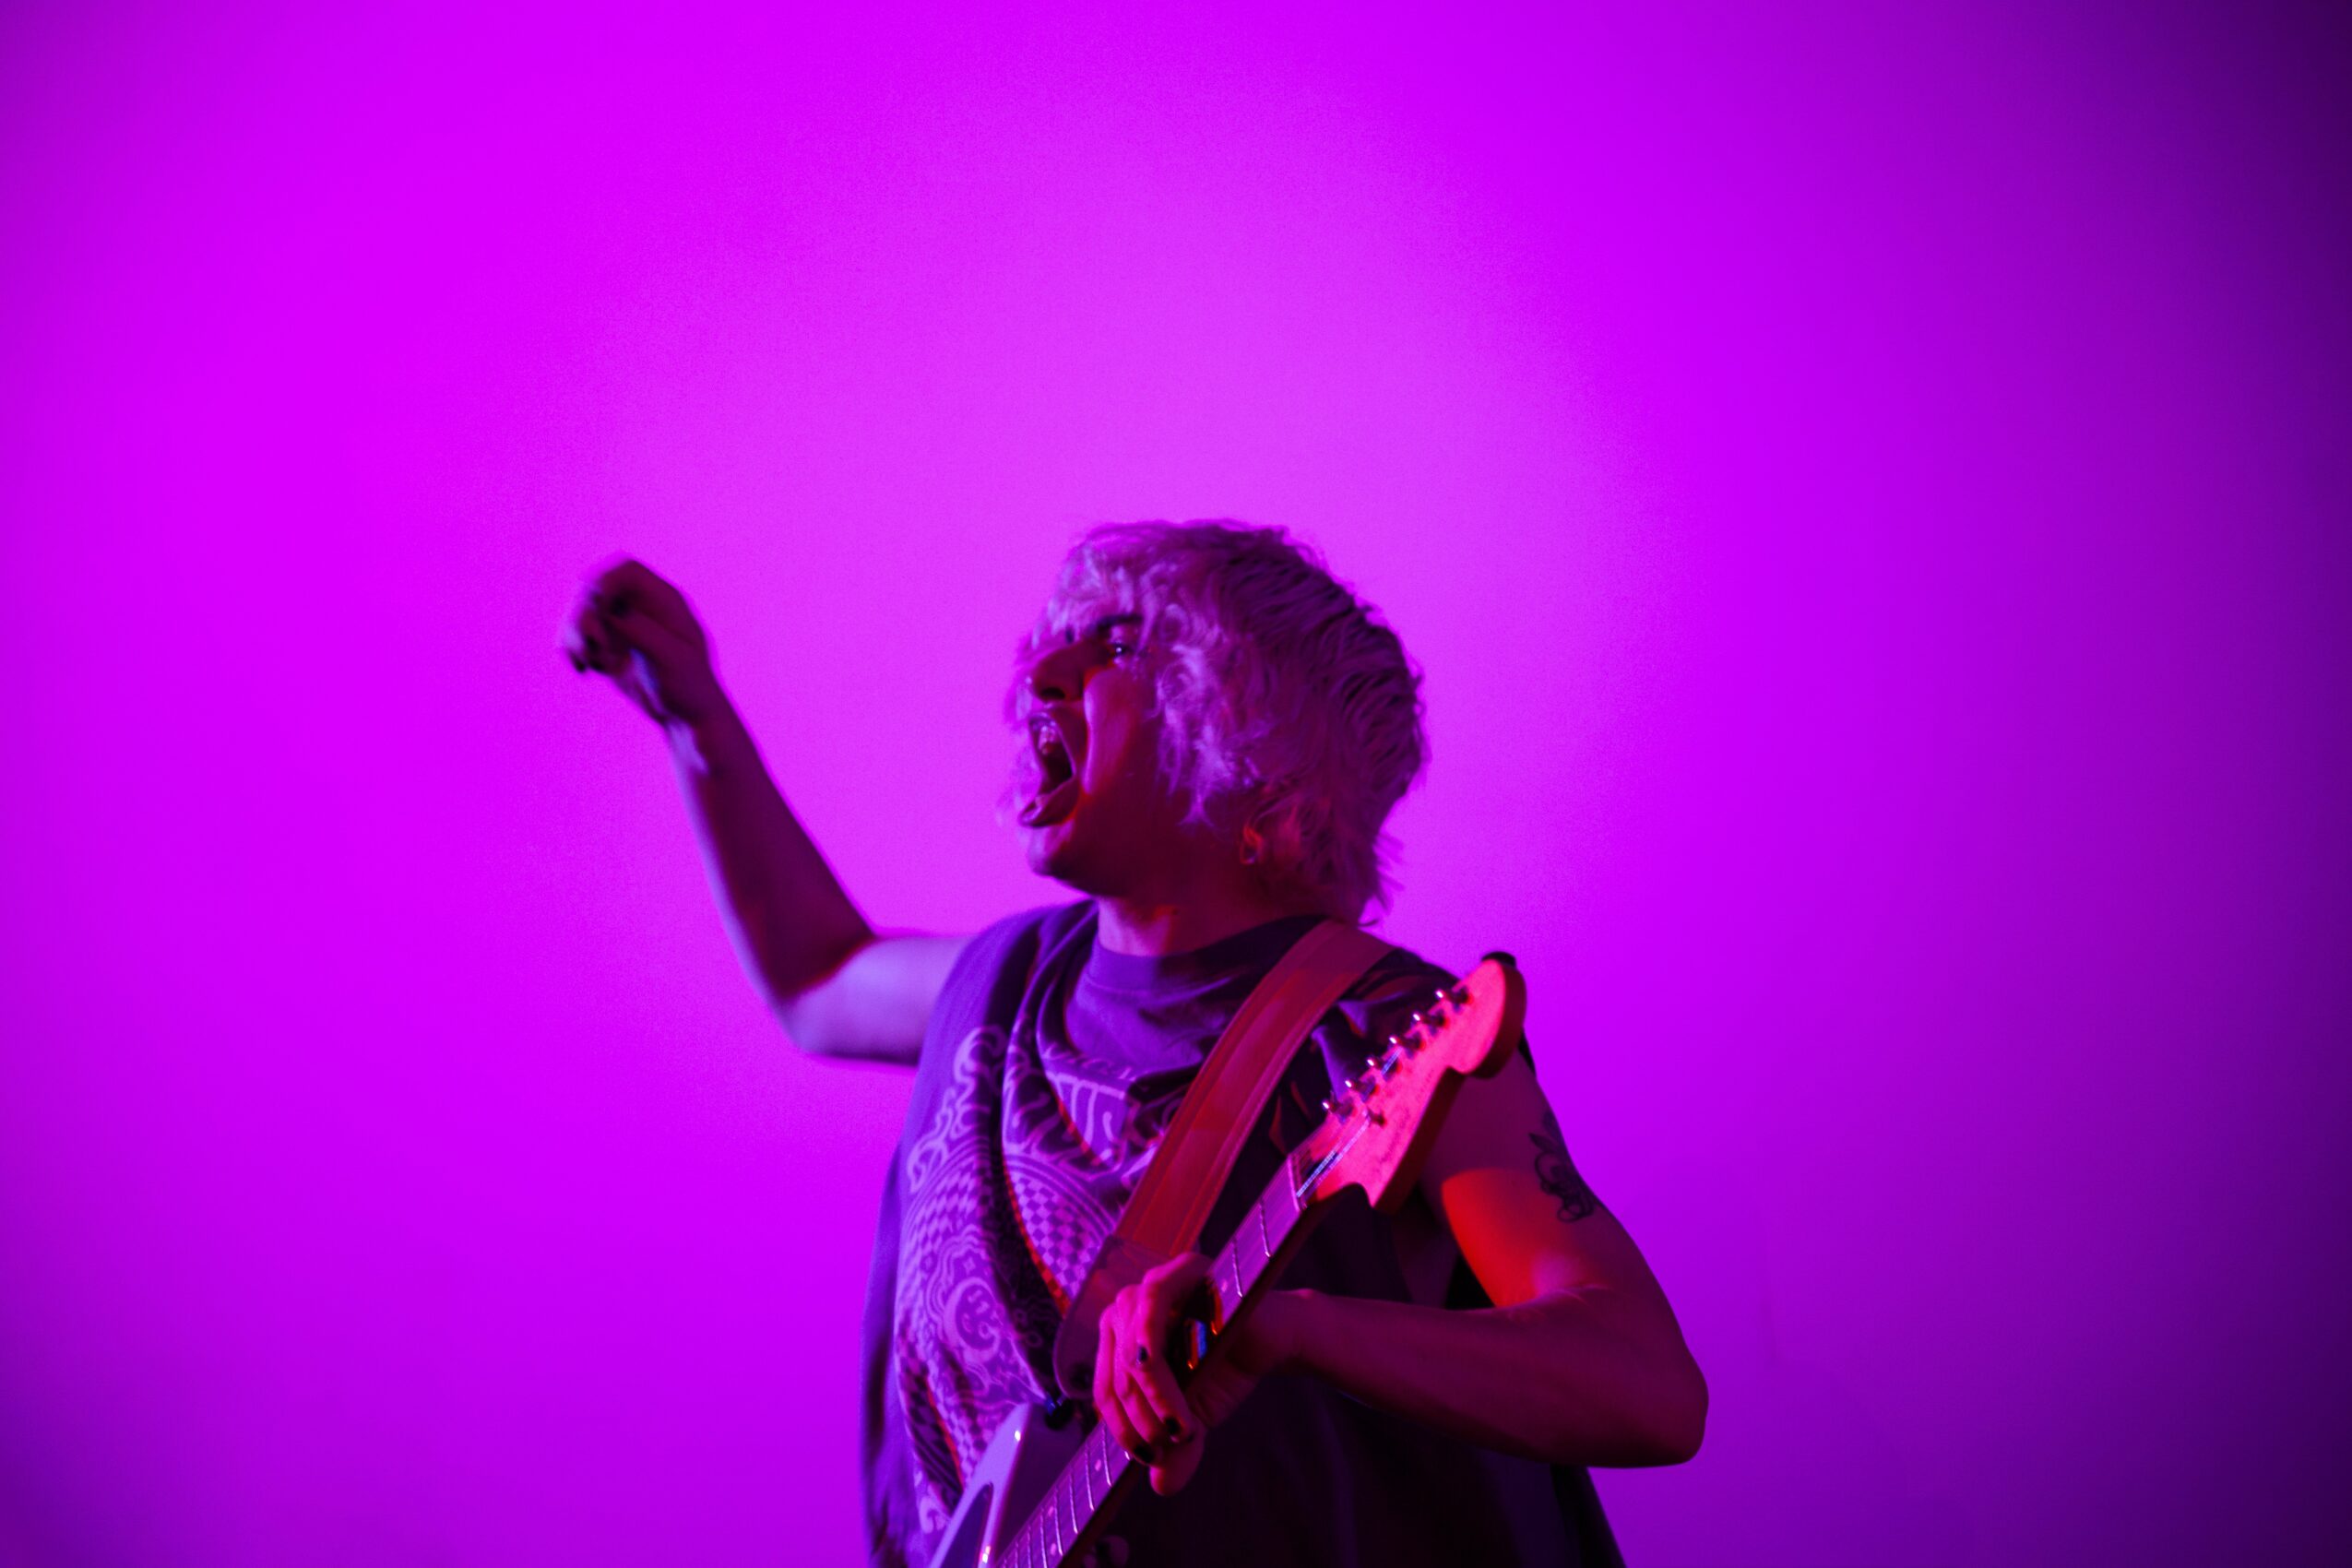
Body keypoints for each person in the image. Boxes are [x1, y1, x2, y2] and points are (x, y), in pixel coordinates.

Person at [564, 522, 1705, 1567]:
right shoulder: (998, 983)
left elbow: (1645, 1381)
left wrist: (1306, 1329)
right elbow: (817, 979)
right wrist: (694, 720)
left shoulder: (1387, 1034)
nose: (1037, 675)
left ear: (1258, 730)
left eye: (1114, 643)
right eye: (1049, 640)